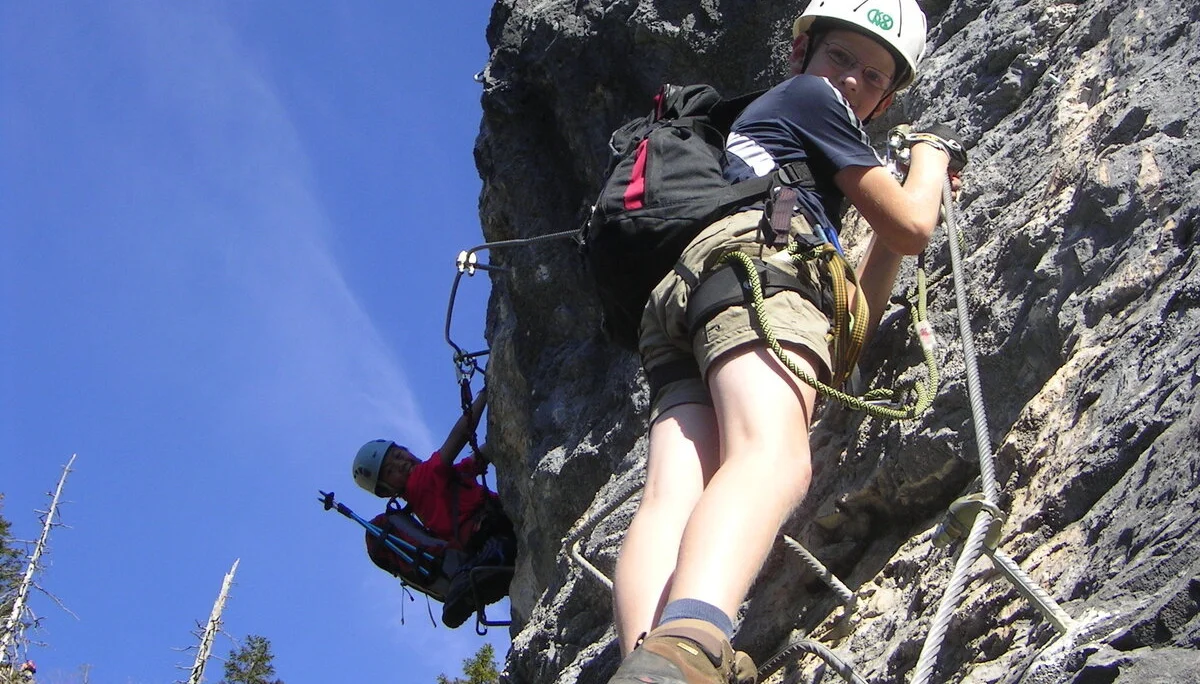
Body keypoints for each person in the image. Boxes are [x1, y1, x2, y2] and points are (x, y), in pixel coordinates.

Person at [607, 0, 964, 682]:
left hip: (689, 293)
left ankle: (645, 662)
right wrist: (931, 156)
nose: (853, 80)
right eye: (842, 58)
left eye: (873, 74)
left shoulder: (773, 139)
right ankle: (689, 647)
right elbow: (915, 225)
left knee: (673, 495)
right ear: (803, 54)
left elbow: (856, 307)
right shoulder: (812, 98)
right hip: (758, 271)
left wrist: (890, 233)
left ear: (884, 98)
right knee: (773, 453)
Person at [352, 388, 516, 627]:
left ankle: (474, 580)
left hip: (479, 539)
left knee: (504, 552)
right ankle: (474, 578)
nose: (401, 464)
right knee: (504, 547)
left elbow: (472, 463)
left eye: (399, 455)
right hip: (489, 529)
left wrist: (493, 446)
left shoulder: (425, 493)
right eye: (390, 470)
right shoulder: (424, 479)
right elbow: (459, 437)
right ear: (387, 490)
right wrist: (485, 395)